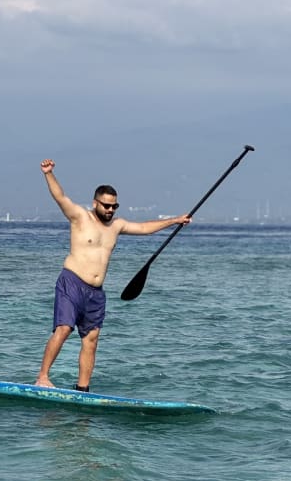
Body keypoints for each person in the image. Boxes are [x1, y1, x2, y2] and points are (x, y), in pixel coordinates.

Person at [34, 158, 191, 390]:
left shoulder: (116, 226)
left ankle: (83, 389)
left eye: (114, 206)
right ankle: (43, 378)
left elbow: (144, 228)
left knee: (91, 340)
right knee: (64, 329)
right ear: (95, 202)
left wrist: (175, 220)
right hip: (72, 282)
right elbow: (60, 197)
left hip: (96, 293)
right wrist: (48, 173)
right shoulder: (80, 216)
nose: (110, 210)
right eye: (106, 206)